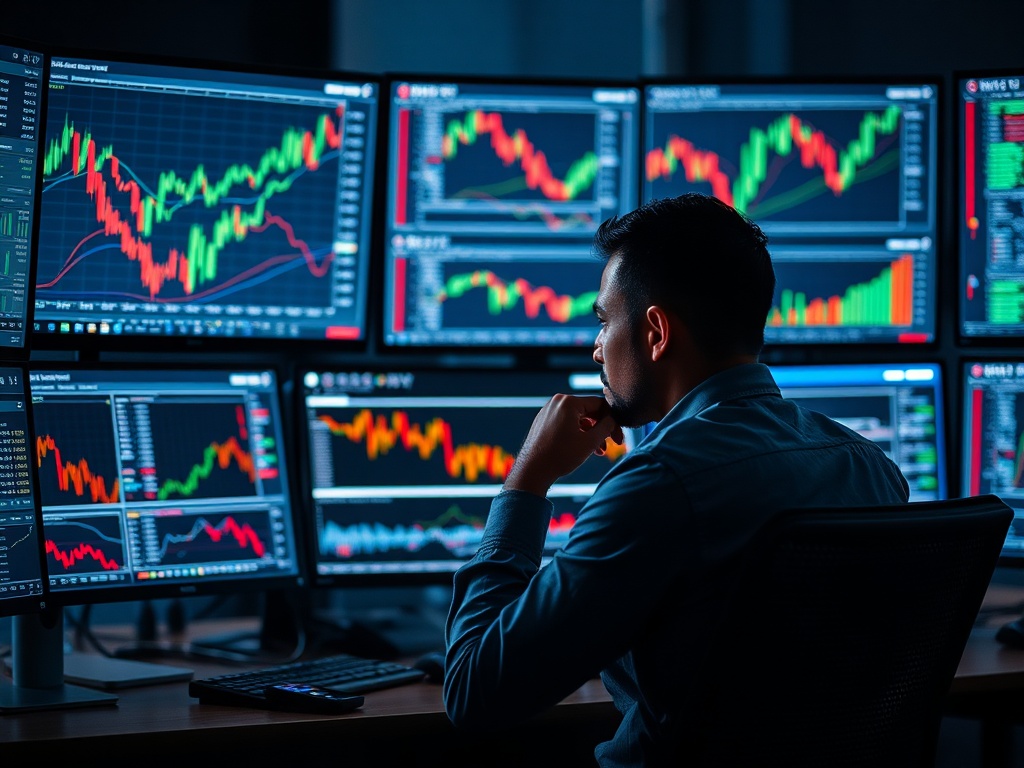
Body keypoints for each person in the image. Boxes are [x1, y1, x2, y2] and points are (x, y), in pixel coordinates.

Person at [442, 193, 910, 766]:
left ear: (656, 332)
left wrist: (526, 481)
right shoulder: (872, 468)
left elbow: (473, 693)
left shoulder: (658, 484)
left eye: (604, 322)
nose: (596, 350)